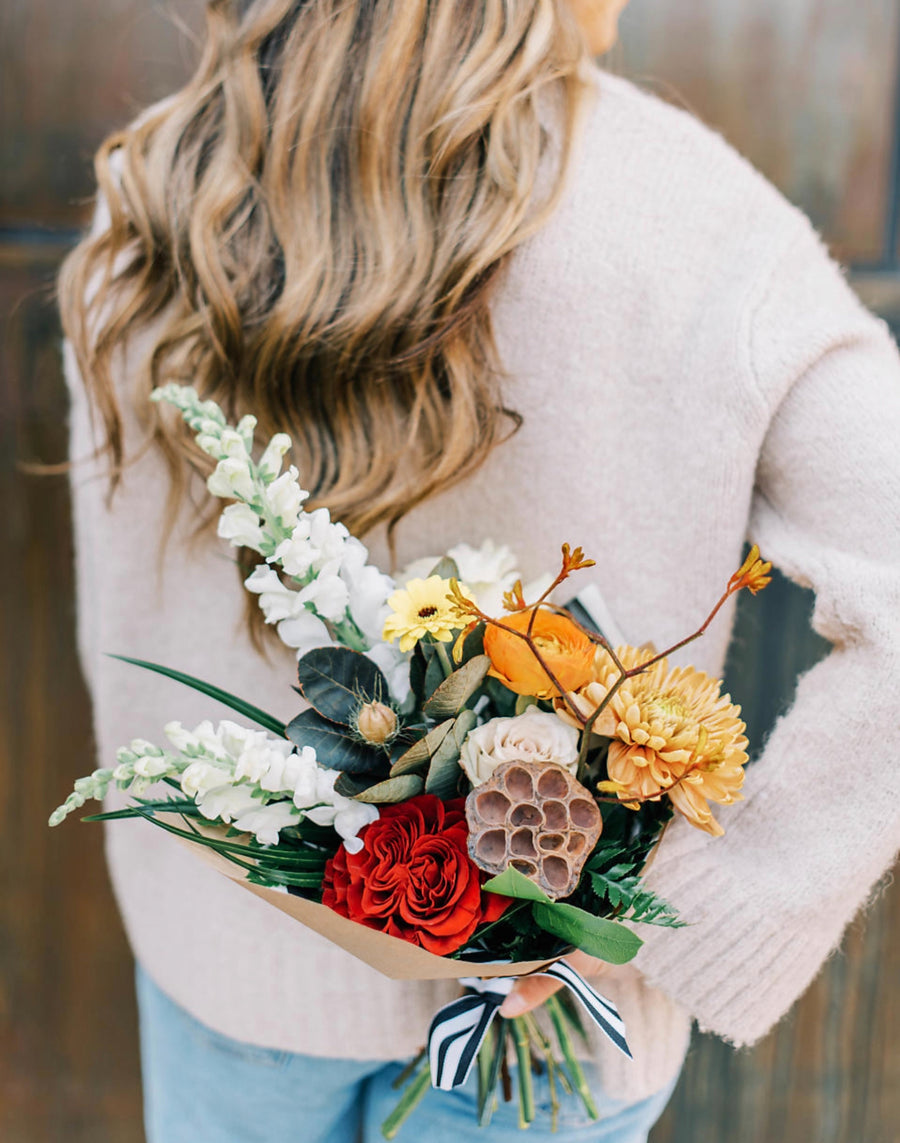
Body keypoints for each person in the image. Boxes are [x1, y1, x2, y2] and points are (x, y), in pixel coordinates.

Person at [57, 1, 900, 1140]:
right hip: (550, 1024)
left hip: (235, 972)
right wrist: (695, 902)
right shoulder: (699, 218)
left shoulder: (166, 183)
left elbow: (130, 614)